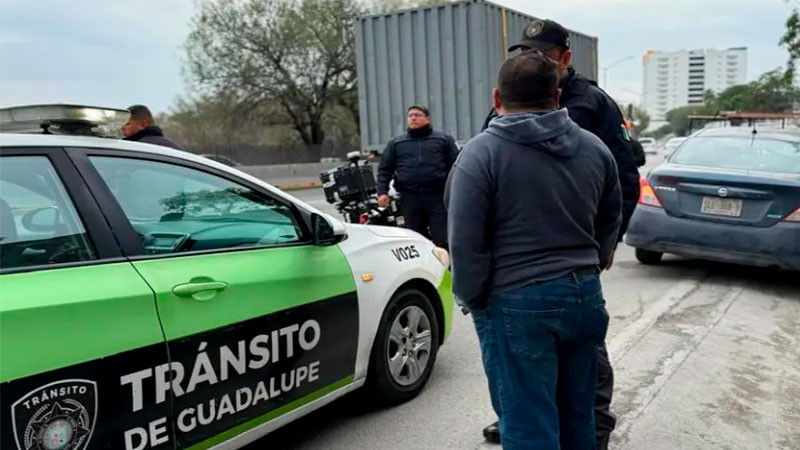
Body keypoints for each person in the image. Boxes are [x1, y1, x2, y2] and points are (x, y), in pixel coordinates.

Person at [446, 50, 622, 450]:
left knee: (527, 423)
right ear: (557, 96)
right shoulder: (595, 148)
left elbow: (465, 240)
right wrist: (592, 263)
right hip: (584, 298)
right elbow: (611, 217)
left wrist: (475, 298)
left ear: (496, 98)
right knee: (578, 414)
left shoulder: (480, 154)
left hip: (518, 301)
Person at [480, 19, 640, 449]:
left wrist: (605, 248)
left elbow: (622, 180)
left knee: (584, 361)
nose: (532, 59)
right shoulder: (509, 98)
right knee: (525, 365)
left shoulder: (594, 104)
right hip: (517, 260)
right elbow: (481, 176)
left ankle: (593, 426)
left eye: (543, 52)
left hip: (573, 258)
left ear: (565, 58)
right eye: (524, 51)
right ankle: (528, 417)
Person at [376, 105, 459, 248]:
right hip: (410, 198)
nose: (413, 118)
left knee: (442, 239)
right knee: (416, 239)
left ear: (427, 118)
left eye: (417, 115)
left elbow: (456, 167)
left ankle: (445, 268)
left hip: (438, 197)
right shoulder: (397, 143)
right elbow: (385, 169)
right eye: (410, 116)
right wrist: (382, 192)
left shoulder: (443, 140)